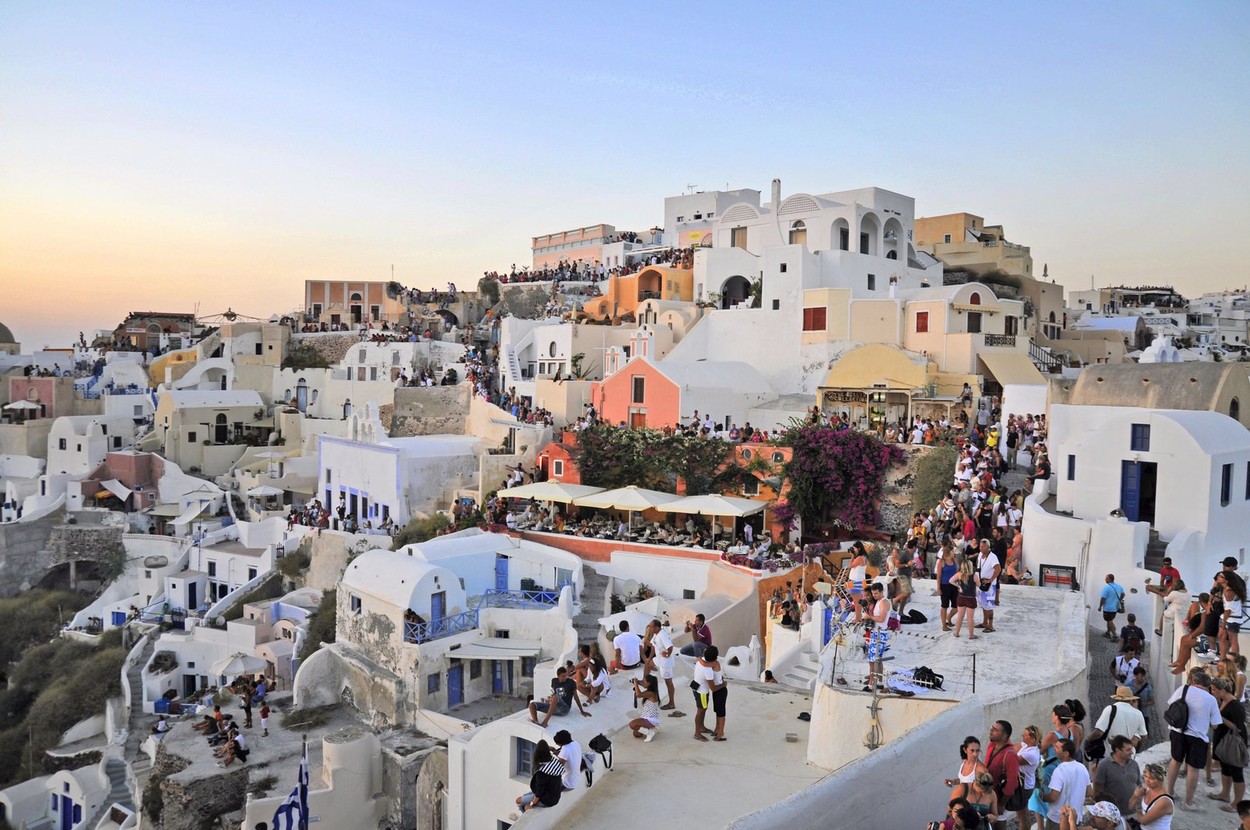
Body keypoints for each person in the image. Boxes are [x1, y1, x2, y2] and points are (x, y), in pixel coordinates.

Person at [1164, 667, 1223, 810]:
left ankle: (1169, 793)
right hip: (1197, 737)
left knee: (1175, 761)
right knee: (1193, 769)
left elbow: (1170, 705)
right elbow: (1215, 725)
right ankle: (1188, 803)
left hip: (1177, 732)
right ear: (1208, 685)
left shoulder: (1183, 689)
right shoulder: (1211, 699)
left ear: (1194, 681)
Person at [1210, 675, 1248, 810]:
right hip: (1223, 740)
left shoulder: (1235, 705)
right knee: (1225, 768)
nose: (1212, 692)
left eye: (1214, 690)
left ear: (1222, 690)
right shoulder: (1222, 701)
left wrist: (1219, 718)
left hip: (1234, 742)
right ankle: (1225, 794)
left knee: (1236, 771)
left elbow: (1238, 727)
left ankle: (1237, 803)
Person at [1088, 686, 1148, 760]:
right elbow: (1144, 736)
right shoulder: (1138, 713)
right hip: (1129, 755)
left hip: (1111, 754)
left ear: (1116, 698)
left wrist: (1088, 739)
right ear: (1131, 700)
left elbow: (1099, 732)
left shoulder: (1109, 709)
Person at [1043, 739, 1091, 830]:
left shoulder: (1059, 770)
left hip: (1057, 819)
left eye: (1057, 747)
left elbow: (1053, 797)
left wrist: (1043, 796)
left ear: (1066, 753)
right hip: (1075, 817)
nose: (1054, 749)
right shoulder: (1082, 767)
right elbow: (1089, 792)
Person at [1091, 735, 1141, 815]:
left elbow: (1139, 785)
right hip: (1113, 814)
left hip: (1133, 813)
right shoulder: (1104, 765)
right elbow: (1097, 790)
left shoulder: (1134, 764)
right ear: (1118, 750)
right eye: (1128, 750)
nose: (1131, 752)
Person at [984, 720, 1021, 830]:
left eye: (995, 730)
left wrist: (1001, 804)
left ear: (1004, 735)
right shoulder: (992, 746)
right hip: (987, 796)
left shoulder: (1010, 755)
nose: (991, 731)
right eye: (992, 728)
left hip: (998, 799)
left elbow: (1012, 783)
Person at [515, 739, 563, 813]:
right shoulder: (554, 761)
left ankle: (523, 810)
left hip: (546, 799)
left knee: (519, 801)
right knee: (523, 797)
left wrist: (531, 804)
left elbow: (539, 792)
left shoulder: (542, 772)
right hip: (554, 795)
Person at [1127, 762, 1173, 829]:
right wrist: (1135, 796)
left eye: (1151, 778)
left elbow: (1144, 821)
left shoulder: (1164, 801)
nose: (1147, 780)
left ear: (1161, 779)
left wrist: (1138, 808)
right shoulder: (1147, 789)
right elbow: (1130, 807)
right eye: (1145, 776)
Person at [643, 618, 676, 709]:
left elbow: (670, 647)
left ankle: (671, 703)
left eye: (651, 627)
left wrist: (667, 654)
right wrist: (649, 658)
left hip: (666, 663)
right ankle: (645, 681)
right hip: (659, 659)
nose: (650, 628)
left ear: (657, 627)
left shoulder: (662, 635)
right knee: (647, 664)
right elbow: (653, 647)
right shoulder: (656, 635)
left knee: (668, 682)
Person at [864, 582, 892, 692]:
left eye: (876, 593)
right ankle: (879, 682)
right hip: (876, 632)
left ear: (881, 592)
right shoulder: (879, 602)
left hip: (880, 633)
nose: (874, 595)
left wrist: (869, 616)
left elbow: (881, 619)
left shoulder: (884, 602)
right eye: (873, 593)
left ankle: (871, 684)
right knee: (878, 660)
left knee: (873, 660)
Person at [1015, 725, 1042, 830]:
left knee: (1023, 815)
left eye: (1025, 735)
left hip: (1024, 786)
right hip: (1023, 784)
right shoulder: (1027, 746)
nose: (1023, 735)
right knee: (1020, 813)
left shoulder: (1031, 754)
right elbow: (1014, 747)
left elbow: (1013, 760)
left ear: (1033, 739)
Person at [692, 646, 717, 742]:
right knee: (701, 710)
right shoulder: (708, 670)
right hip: (702, 692)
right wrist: (723, 685)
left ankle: (701, 727)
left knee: (703, 708)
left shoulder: (701, 660)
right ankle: (697, 733)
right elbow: (713, 688)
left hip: (696, 686)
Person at [976, 539, 1001, 633]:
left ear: (988, 547)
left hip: (990, 585)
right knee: (983, 604)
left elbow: (998, 569)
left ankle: (990, 626)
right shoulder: (980, 555)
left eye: (983, 547)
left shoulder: (993, 557)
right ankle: (984, 622)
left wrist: (990, 579)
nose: (981, 548)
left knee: (989, 605)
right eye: (980, 546)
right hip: (982, 583)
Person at [951, 558, 979, 640]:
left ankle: (956, 633)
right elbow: (979, 585)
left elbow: (951, 580)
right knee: (970, 618)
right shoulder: (974, 575)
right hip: (971, 598)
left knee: (960, 616)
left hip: (961, 597)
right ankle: (971, 635)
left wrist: (959, 586)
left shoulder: (959, 574)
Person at [628, 675, 661, 741]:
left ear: (649, 683)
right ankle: (652, 729)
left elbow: (638, 694)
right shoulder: (650, 692)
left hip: (650, 719)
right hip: (646, 717)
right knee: (636, 734)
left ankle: (650, 733)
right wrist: (637, 682)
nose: (642, 682)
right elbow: (641, 689)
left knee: (632, 724)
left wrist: (636, 683)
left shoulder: (651, 693)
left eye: (644, 681)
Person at [939, 543, 959, 632]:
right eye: (952, 551)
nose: (954, 552)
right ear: (949, 552)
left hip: (954, 585)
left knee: (956, 606)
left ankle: (949, 617)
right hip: (945, 585)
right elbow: (938, 576)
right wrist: (938, 588)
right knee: (944, 606)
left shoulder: (955, 561)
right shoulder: (941, 562)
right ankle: (944, 625)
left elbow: (958, 573)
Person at [1098, 574, 1125, 641]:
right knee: (1109, 620)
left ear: (1110, 579)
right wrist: (1118, 600)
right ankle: (1107, 633)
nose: (1105, 579)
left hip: (1108, 608)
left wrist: (1100, 606)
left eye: (1106, 578)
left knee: (1109, 621)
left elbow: (1103, 598)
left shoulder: (1106, 587)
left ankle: (1115, 636)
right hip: (1115, 608)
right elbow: (1123, 594)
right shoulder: (1119, 586)